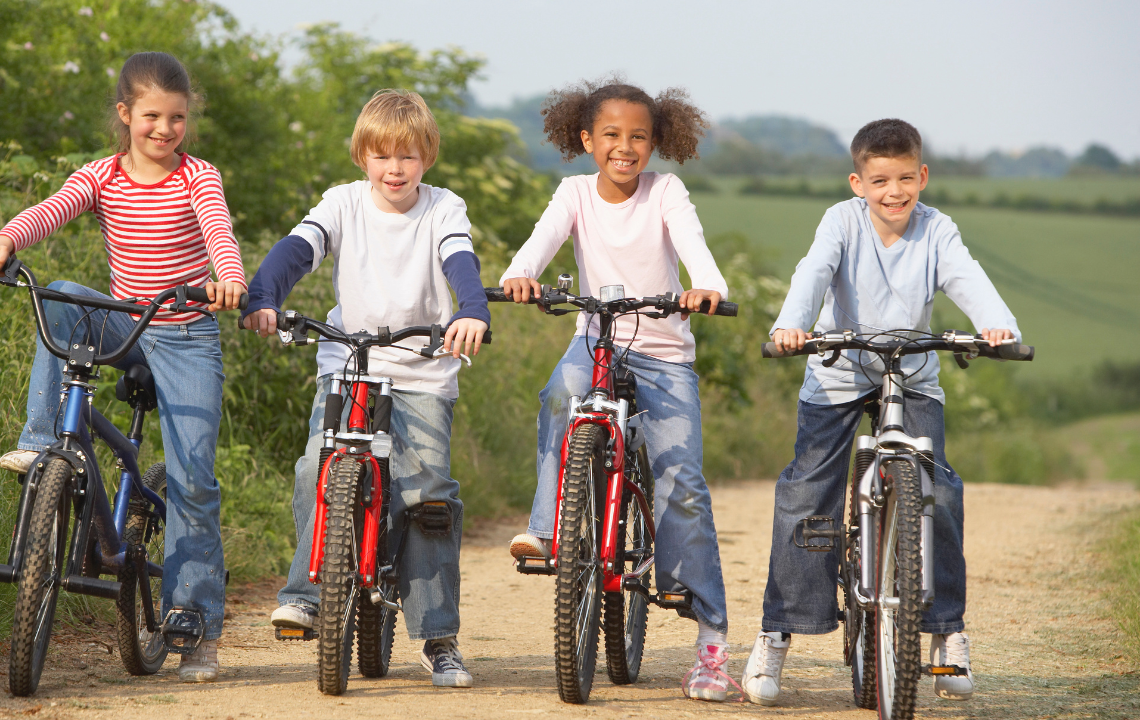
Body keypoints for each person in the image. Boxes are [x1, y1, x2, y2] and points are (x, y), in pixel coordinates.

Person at [0, 52, 246, 683]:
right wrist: (7, 240)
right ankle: (44, 443)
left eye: (176, 118)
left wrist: (228, 279)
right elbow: (52, 208)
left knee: (193, 478)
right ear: (125, 115)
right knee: (62, 293)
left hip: (183, 331)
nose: (164, 129)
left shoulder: (198, 176)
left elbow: (219, 234)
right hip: (126, 323)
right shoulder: (101, 175)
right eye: (151, 116)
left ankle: (194, 619)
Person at [741, 118, 1020, 706]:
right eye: (879, 180)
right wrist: (792, 324)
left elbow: (966, 276)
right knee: (806, 491)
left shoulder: (937, 229)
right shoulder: (840, 221)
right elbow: (814, 269)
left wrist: (997, 325)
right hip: (838, 367)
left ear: (922, 176)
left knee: (937, 491)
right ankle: (777, 632)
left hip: (911, 370)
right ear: (857, 182)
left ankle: (946, 636)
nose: (893, 192)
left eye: (903, 179)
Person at [242, 89, 490, 689]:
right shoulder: (342, 204)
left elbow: (460, 263)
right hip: (349, 365)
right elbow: (296, 252)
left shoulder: (443, 209)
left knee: (428, 495)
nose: (394, 169)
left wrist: (472, 310)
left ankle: (438, 636)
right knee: (314, 468)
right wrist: (263, 296)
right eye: (382, 157)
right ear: (362, 158)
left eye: (407, 156)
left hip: (423, 367)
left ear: (427, 156)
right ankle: (308, 593)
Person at [499, 80, 738, 702]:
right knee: (561, 395)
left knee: (681, 478)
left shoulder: (666, 191)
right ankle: (549, 528)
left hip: (663, 355)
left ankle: (711, 644)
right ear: (586, 140)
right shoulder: (574, 192)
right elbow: (539, 242)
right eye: (611, 135)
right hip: (595, 342)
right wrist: (521, 274)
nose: (624, 148)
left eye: (638, 136)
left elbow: (693, 246)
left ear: (655, 142)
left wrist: (705, 285)